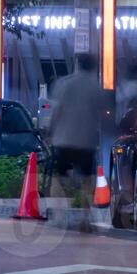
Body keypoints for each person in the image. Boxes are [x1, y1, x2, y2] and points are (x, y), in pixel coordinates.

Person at [49, 53, 104, 196]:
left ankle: (58, 209)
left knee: (59, 177)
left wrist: (50, 132)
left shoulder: (63, 84)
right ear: (93, 66)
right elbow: (102, 115)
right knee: (87, 179)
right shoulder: (95, 88)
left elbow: (57, 112)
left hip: (63, 140)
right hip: (86, 142)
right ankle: (85, 214)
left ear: (77, 64)